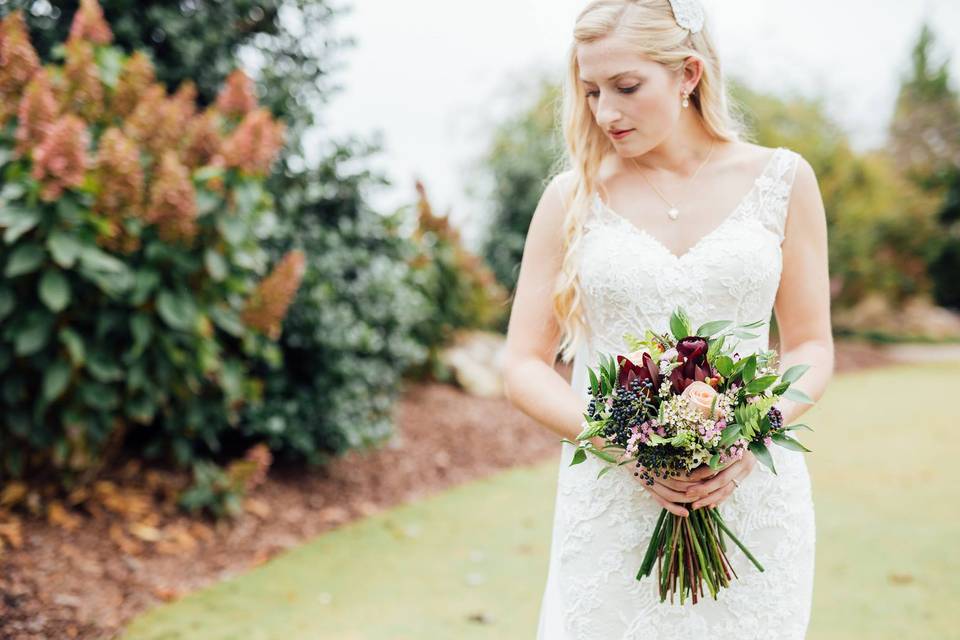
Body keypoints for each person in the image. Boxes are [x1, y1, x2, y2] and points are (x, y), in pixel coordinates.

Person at [502, 0, 835, 637]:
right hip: (613, 501)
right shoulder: (571, 197)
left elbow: (811, 344)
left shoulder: (782, 180)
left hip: (751, 495)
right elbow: (522, 366)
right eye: (591, 90)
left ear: (688, 74)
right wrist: (623, 445)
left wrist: (752, 432)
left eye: (627, 87)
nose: (605, 113)